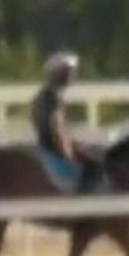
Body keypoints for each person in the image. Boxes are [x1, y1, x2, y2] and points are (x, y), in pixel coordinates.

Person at [31, 51, 102, 194]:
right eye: (68, 71)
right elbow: (57, 130)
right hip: (54, 153)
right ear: (57, 73)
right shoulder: (52, 98)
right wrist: (71, 155)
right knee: (95, 167)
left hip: (47, 149)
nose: (73, 75)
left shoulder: (44, 95)